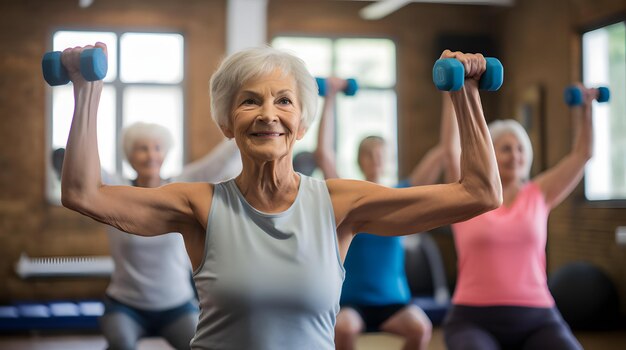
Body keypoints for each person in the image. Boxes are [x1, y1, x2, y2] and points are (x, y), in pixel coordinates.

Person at [59, 43, 501, 350]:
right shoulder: (200, 205)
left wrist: (466, 94)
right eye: (250, 101)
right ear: (226, 124)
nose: (268, 114)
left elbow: (479, 193)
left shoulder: (339, 204)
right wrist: (86, 88)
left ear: (302, 124)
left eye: (284, 101)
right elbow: (84, 193)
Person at [52, 125, 241, 350]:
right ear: (130, 156)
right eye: (142, 149)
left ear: (165, 153)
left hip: (177, 306)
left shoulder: (182, 186)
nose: (151, 155)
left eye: (157, 148)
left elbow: (218, 163)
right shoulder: (114, 190)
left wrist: (242, 129)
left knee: (201, 346)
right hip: (125, 306)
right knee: (120, 344)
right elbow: (81, 169)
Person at [440, 85, 596, 349]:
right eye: (505, 149)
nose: (515, 156)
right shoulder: (467, 195)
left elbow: (582, 155)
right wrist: (452, 91)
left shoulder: (540, 193)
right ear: (489, 155)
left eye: (520, 149)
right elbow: (451, 151)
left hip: (538, 317)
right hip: (472, 317)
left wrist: (587, 109)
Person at [313, 77, 451, 350]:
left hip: (394, 301)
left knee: (420, 328)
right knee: (344, 329)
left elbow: (445, 151)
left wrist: (452, 95)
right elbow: (324, 156)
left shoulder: (400, 194)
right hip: (352, 302)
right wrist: (329, 97)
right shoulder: (349, 195)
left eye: (381, 154)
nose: (376, 159)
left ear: (389, 159)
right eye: (369, 155)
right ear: (360, 161)